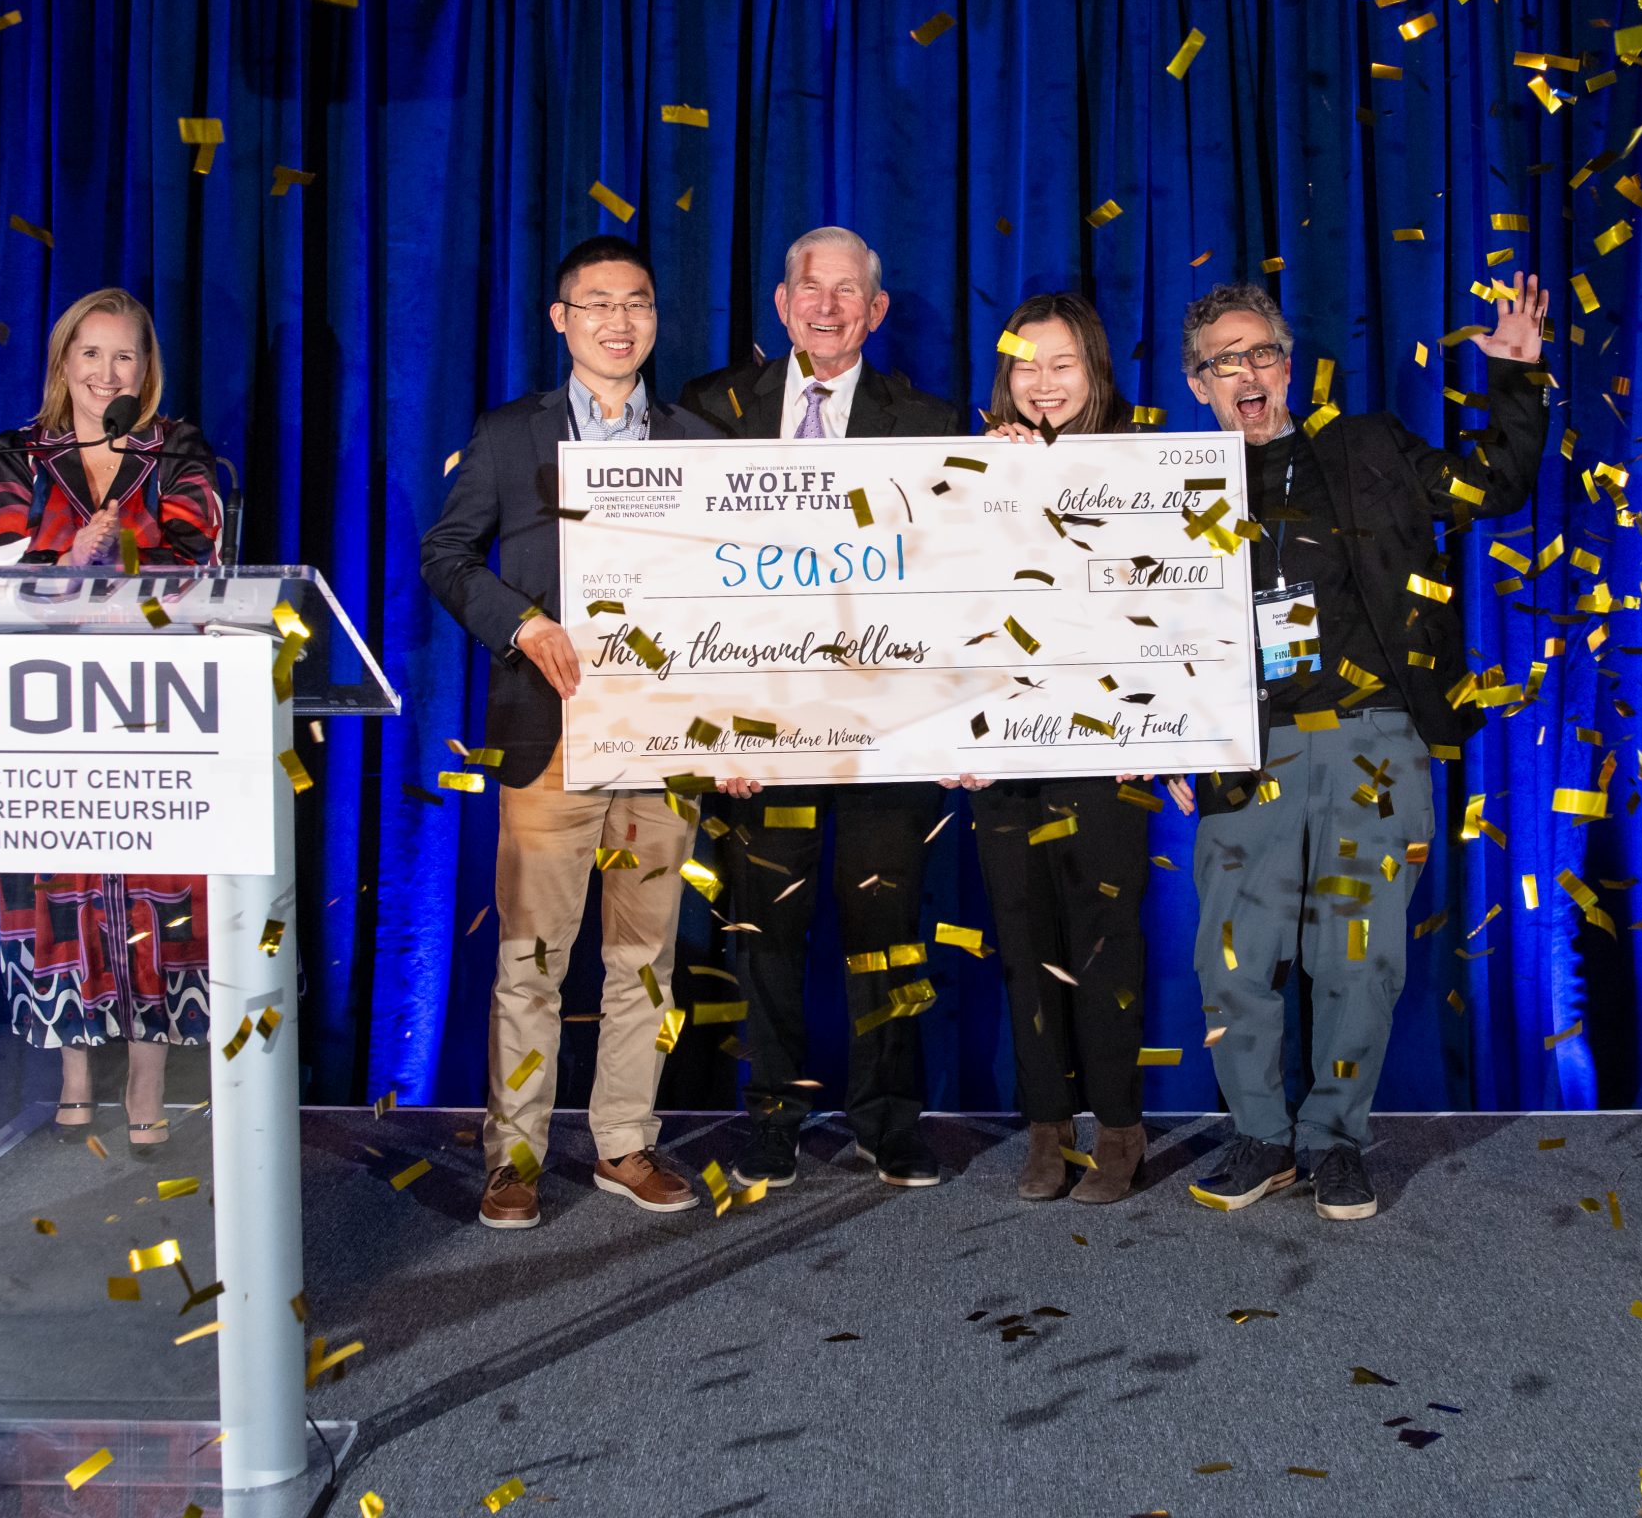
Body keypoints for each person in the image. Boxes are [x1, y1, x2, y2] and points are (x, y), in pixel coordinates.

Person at [1176, 273, 1550, 1221]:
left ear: (1288, 367)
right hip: (1240, 747)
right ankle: (1260, 1137)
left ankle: (1335, 1139)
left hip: (1372, 741)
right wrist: (1160, 732)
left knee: (1362, 954)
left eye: (1260, 353)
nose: (1246, 373)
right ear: (1198, 386)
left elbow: (1492, 485)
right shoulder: (1166, 486)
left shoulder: (1369, 447)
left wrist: (1516, 378)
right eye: (1225, 362)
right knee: (1233, 958)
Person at [421, 235, 728, 1230]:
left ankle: (624, 1144)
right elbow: (447, 554)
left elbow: (738, 583)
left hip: (661, 736)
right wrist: (522, 621)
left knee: (644, 957)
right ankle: (512, 1155)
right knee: (533, 958)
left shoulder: (698, 442)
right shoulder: (511, 435)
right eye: (594, 304)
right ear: (560, 320)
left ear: (654, 318)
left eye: (634, 302)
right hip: (545, 729)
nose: (616, 321)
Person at [676, 227, 960, 1191]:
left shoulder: (930, 422)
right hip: (759, 732)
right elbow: (674, 575)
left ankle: (889, 1119)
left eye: (849, 291)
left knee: (888, 926)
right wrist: (708, 720)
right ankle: (772, 1116)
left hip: (886, 728)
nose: (828, 305)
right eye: (811, 286)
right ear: (780, 301)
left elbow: (965, 580)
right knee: (765, 929)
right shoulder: (709, 412)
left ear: (877, 312)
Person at [0, 287, 222, 1155]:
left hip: (160, 701)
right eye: (90, 354)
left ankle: (149, 1068)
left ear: (144, 370)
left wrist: (110, 556)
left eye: (124, 356)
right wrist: (59, 562)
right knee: (58, 880)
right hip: (48, 702)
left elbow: (201, 553)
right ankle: (75, 1067)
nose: (105, 372)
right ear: (63, 362)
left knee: (159, 877)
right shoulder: (17, 453)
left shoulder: (177, 448)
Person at [969, 294, 1153, 1204]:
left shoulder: (1144, 466)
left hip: (1106, 753)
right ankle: (1047, 1128)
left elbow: (1178, 611)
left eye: (1063, 365)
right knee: (1023, 943)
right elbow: (937, 615)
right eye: (1024, 367)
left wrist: (1170, 726)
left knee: (1105, 942)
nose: (1043, 384)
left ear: (1096, 372)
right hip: (1001, 757)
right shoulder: (966, 471)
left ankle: (1119, 1128)